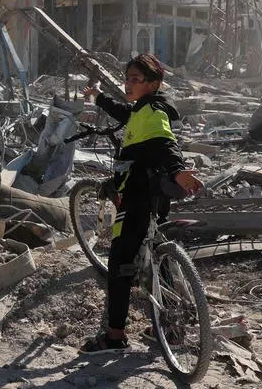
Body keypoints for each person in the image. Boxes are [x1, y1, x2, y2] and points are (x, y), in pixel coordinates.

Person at [80, 54, 203, 353]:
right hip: (154, 194)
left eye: (136, 79)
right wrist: (98, 97)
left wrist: (178, 170)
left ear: (154, 83)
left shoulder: (152, 113)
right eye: (127, 78)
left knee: (119, 262)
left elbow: (164, 143)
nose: (128, 84)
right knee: (154, 253)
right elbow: (124, 112)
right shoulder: (143, 108)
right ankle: (172, 330)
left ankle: (114, 336)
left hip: (138, 195)